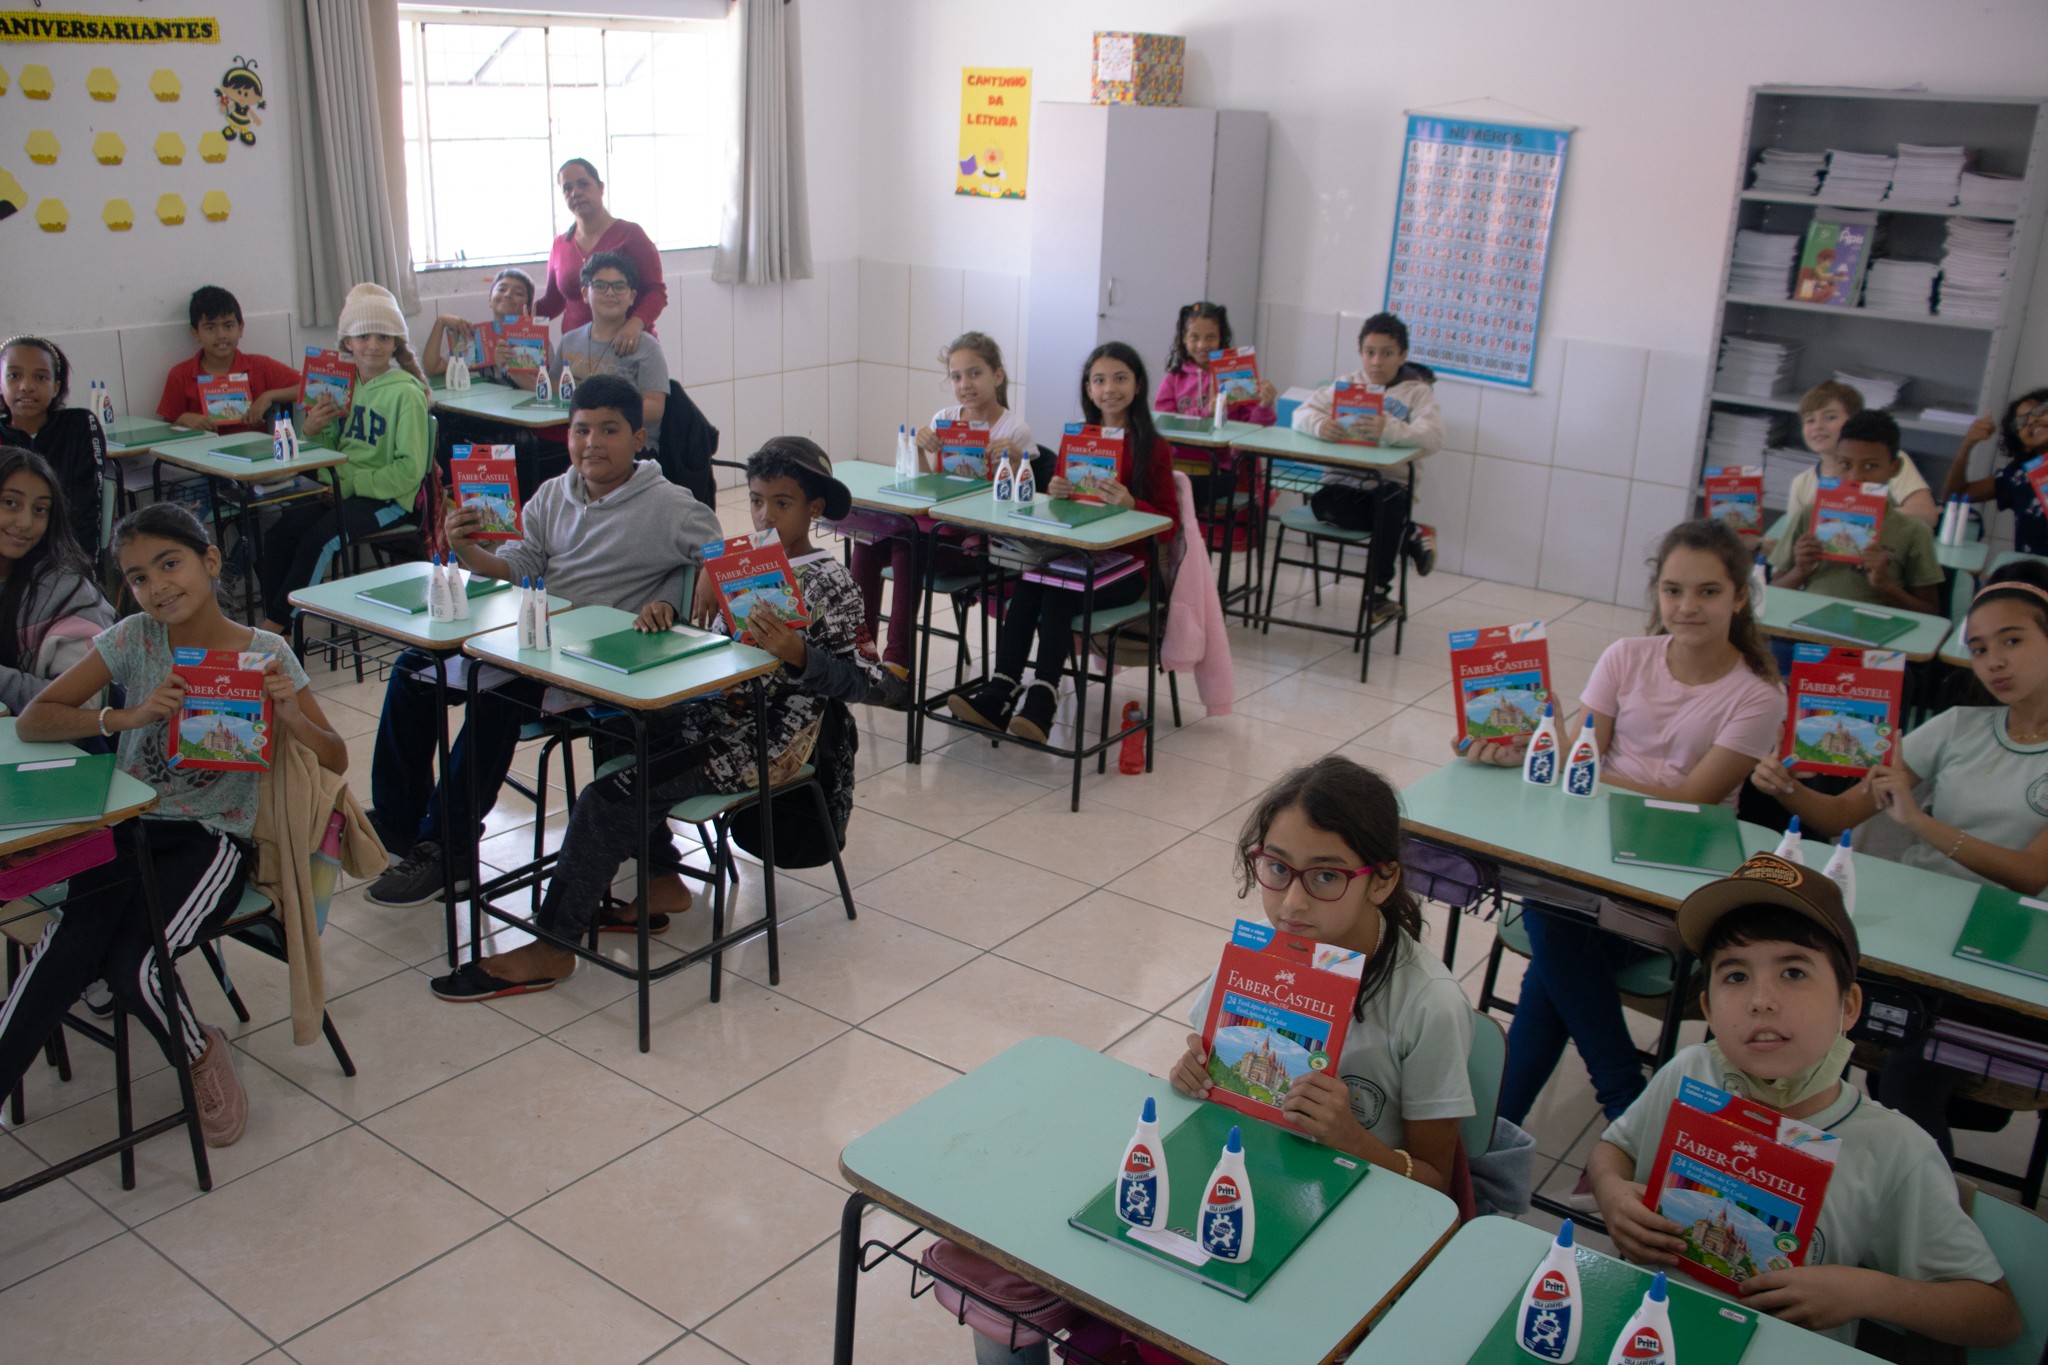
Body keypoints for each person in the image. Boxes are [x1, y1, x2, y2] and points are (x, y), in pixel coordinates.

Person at [969, 756, 1475, 1365]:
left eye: (1326, 877)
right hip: (1238, 1182)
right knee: (1020, 1270)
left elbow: (1439, 1188)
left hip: (1344, 1223)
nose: (1292, 903)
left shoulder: (1428, 1005)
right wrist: (1192, 1077)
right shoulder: (1262, 957)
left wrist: (1351, 1138)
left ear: (1383, 879)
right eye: (1276, 868)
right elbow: (1208, 1085)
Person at [427, 437, 886, 1001]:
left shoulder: (831, 582)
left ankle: (553, 944)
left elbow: (866, 681)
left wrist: (798, 655)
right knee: (614, 726)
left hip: (764, 742)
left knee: (606, 799)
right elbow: (716, 649)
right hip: (708, 716)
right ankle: (663, 878)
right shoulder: (739, 565)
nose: (765, 516)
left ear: (814, 508)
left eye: (783, 503)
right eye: (757, 500)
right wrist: (669, 615)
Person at [8, 504, 349, 1147]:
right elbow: (34, 720)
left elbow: (336, 757)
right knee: (68, 946)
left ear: (210, 561)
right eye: (139, 577)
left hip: (211, 839)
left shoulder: (266, 652)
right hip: (127, 826)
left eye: (170, 564)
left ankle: (199, 1053)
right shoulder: (134, 639)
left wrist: (292, 717)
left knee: (134, 965)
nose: (158, 586)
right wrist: (126, 717)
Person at [1588, 853, 2022, 1350]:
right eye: (1735, 976)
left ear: (1848, 1006)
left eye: (1793, 972)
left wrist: (1869, 1292)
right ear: (1707, 1006)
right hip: (1645, 1334)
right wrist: (1611, 1191)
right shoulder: (1690, 1071)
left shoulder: (1895, 1149)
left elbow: (1997, 1318)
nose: (1761, 1000)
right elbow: (1612, 1149)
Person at [1464, 519, 1784, 1139]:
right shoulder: (1625, 656)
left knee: (1554, 934)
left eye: (1708, 592)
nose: (1687, 607)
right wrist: (1532, 746)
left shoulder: (1758, 695)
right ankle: (1619, 1109)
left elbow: (1690, 801)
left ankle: (1517, 1132)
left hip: (1671, 885)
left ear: (1740, 597)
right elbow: (1574, 762)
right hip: (1588, 862)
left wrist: (1580, 767)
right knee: (1558, 932)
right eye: (1672, 590)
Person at [365, 374, 720, 913]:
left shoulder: (670, 504)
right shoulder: (554, 493)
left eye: (609, 430)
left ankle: (446, 847)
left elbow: (719, 553)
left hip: (594, 664)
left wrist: (693, 585)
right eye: (581, 430)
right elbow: (521, 565)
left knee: (495, 694)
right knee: (415, 669)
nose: (592, 443)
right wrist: (470, 551)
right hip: (535, 640)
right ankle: (398, 822)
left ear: (638, 438)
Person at [1749, 561, 2048, 1155]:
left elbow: (2032, 875)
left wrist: (1921, 824)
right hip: (1918, 935)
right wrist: (1787, 789)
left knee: (1908, 1084)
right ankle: (1775, 1170)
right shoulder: (1960, 726)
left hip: (2003, 961)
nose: (1994, 662)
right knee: (1785, 1016)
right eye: (1980, 648)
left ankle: (1921, 1202)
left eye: (2012, 641)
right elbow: (1840, 815)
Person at [947, 341, 1178, 744]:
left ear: (1138, 384)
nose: (1109, 389)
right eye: (1099, 380)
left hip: (1132, 570)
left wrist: (1132, 504)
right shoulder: (1082, 439)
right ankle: (1001, 691)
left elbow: (1170, 525)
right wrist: (1056, 492)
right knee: (1031, 584)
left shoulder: (1152, 447)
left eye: (1120, 379)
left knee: (1058, 594)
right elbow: (1062, 517)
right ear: (1088, 389)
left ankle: (1042, 701)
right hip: (1079, 556)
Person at [848, 331, 1031, 675]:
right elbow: (923, 490)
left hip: (978, 545)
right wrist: (919, 448)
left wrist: (1018, 461)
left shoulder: (1014, 430)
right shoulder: (944, 419)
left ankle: (898, 662)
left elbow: (1025, 506)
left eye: (975, 373)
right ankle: (858, 652)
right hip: (938, 533)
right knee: (867, 542)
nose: (965, 384)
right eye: (956, 376)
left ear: (998, 375)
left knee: (908, 545)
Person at [258, 283, 430, 634]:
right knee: (279, 533)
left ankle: (275, 626)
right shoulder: (341, 384)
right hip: (339, 490)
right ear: (348, 342)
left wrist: (349, 485)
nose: (373, 345)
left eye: (383, 337)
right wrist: (312, 430)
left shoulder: (406, 394)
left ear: (395, 343)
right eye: (363, 336)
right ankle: (280, 629)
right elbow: (332, 447)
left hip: (388, 499)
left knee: (321, 538)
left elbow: (409, 470)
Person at [1766, 409, 1943, 614]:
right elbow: (1772, 592)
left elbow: (1931, 612)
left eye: (1870, 466)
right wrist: (1800, 571)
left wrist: (1885, 584)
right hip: (1808, 624)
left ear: (1894, 468)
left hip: (1874, 629)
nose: (1855, 477)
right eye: (1845, 464)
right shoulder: (1809, 515)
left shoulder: (1913, 531)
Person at [0, 446, 115, 714]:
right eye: (10, 503)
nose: (25, 522)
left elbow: (85, 703)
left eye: (40, 509)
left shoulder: (67, 593)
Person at [532, 158, 667, 348]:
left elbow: (656, 292)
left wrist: (635, 325)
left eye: (583, 184)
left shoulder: (631, 235)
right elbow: (552, 302)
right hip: (576, 351)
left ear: (601, 188)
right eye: (567, 188)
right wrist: (511, 314)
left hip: (627, 348)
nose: (575, 192)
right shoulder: (560, 245)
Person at [0, 335, 104, 560]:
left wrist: (80, 568)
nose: (26, 387)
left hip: (66, 557)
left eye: (40, 377)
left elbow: (87, 508)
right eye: (14, 375)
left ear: (55, 387)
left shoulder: (79, 425)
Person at [556, 251, 670, 452]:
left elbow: (655, 407)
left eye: (619, 286)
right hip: (583, 444)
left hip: (632, 450)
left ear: (631, 297)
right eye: (600, 285)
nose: (610, 293)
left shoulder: (647, 346)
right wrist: (513, 369)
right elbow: (553, 388)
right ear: (585, 294)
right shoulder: (569, 341)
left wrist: (603, 415)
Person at [155, 285, 304, 435]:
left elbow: (309, 387)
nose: (221, 335)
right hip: (202, 448)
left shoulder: (260, 366)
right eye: (210, 327)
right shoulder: (180, 375)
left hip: (254, 446)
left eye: (228, 326)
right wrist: (183, 420)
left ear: (241, 328)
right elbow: (166, 430)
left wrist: (269, 396)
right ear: (195, 333)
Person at [1940, 386, 2048, 558]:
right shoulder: (2019, 474)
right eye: (2021, 422)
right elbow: (1954, 496)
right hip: (2032, 571)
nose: (2031, 421)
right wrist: (1967, 445)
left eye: (2039, 411)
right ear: (2023, 445)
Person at [1154, 301, 1276, 424]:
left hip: (1227, 437)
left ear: (1220, 337)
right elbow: (1164, 422)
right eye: (1194, 337)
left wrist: (1264, 407)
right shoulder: (1174, 379)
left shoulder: (1236, 375)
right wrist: (1206, 412)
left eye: (1210, 337)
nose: (1202, 345)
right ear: (1184, 338)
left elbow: (1253, 428)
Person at [419, 266, 541, 389]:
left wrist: (510, 366)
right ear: (490, 300)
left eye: (518, 293)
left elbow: (545, 389)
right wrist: (441, 322)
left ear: (528, 306)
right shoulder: (478, 338)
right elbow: (432, 368)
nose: (508, 295)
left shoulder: (538, 342)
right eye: (501, 289)